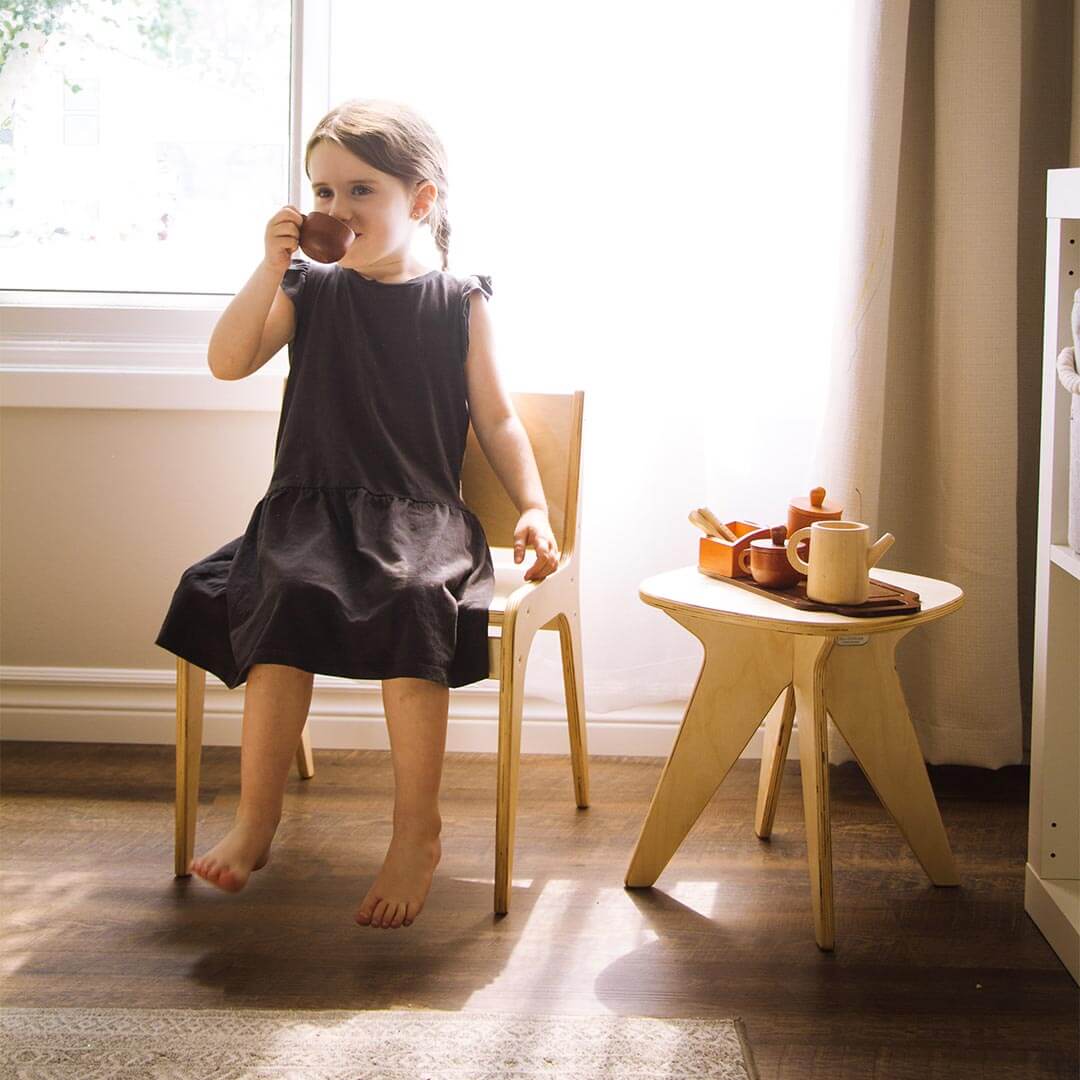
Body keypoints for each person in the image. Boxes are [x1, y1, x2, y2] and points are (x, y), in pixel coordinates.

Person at [154, 98, 560, 930]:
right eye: (321, 192)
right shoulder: (309, 290)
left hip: (419, 519)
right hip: (309, 510)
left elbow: (499, 418)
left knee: (417, 606)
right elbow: (228, 362)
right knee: (284, 594)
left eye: (359, 191)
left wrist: (534, 506)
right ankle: (257, 818)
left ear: (421, 200)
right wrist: (267, 269)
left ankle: (417, 830)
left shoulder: (457, 302)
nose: (333, 212)